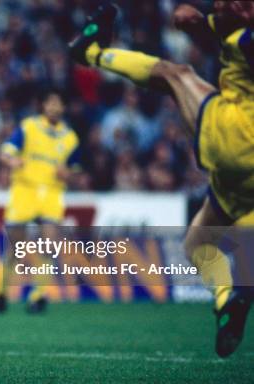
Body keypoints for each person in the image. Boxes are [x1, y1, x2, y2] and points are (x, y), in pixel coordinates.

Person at [69, 1, 254, 357]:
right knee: (198, 244)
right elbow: (207, 31)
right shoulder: (233, 25)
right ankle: (226, 298)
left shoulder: (247, 36)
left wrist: (197, 23)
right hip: (243, 179)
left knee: (177, 75)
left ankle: (91, 53)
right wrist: (198, 23)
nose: (236, 8)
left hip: (235, 139)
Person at [0, 90, 80, 314]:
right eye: (50, 103)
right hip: (25, 191)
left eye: (58, 104)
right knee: (16, 247)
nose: (54, 108)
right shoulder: (29, 127)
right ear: (43, 106)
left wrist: (67, 174)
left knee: (50, 244)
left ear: (63, 108)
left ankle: (37, 295)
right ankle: (1, 292)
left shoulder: (70, 138)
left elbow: (76, 171)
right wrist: (12, 161)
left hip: (51, 194)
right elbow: (4, 153)